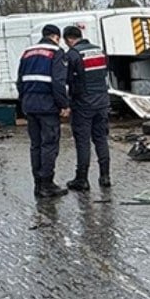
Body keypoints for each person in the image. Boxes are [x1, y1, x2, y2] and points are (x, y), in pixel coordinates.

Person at [17, 24, 70, 198]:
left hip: (29, 104)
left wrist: (23, 101)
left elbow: (19, 81)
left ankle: (38, 184)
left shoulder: (27, 52)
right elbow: (58, 82)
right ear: (57, 37)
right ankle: (47, 184)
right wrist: (63, 105)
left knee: (36, 145)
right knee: (49, 144)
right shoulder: (56, 52)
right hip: (47, 105)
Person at [62, 25, 111, 190]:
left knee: (83, 142)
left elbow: (67, 79)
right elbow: (104, 73)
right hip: (102, 101)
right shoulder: (99, 51)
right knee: (101, 139)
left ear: (68, 39)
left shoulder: (73, 54)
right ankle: (105, 176)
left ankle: (82, 179)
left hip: (83, 104)